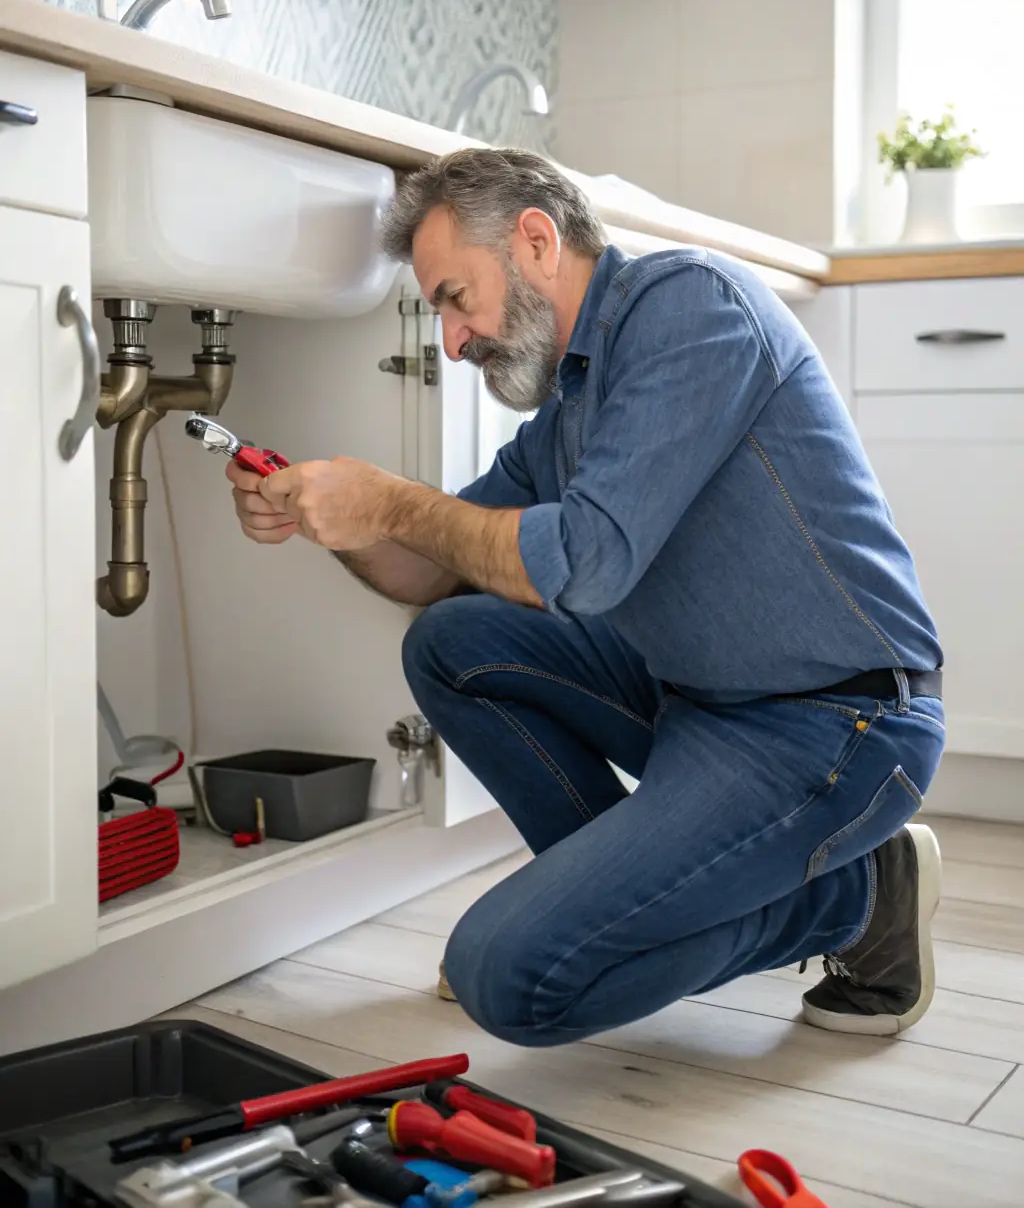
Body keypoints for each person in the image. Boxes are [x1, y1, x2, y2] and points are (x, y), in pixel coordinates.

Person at [226, 147, 946, 1047]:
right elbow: (432, 570)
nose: (451, 340)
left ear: (535, 240)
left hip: (838, 723)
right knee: (452, 639)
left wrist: (389, 498)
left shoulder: (690, 307)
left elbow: (586, 564)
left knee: (512, 979)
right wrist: (325, 516)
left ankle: (855, 897)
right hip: (695, 700)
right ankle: (618, 905)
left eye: (454, 297)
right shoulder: (567, 410)